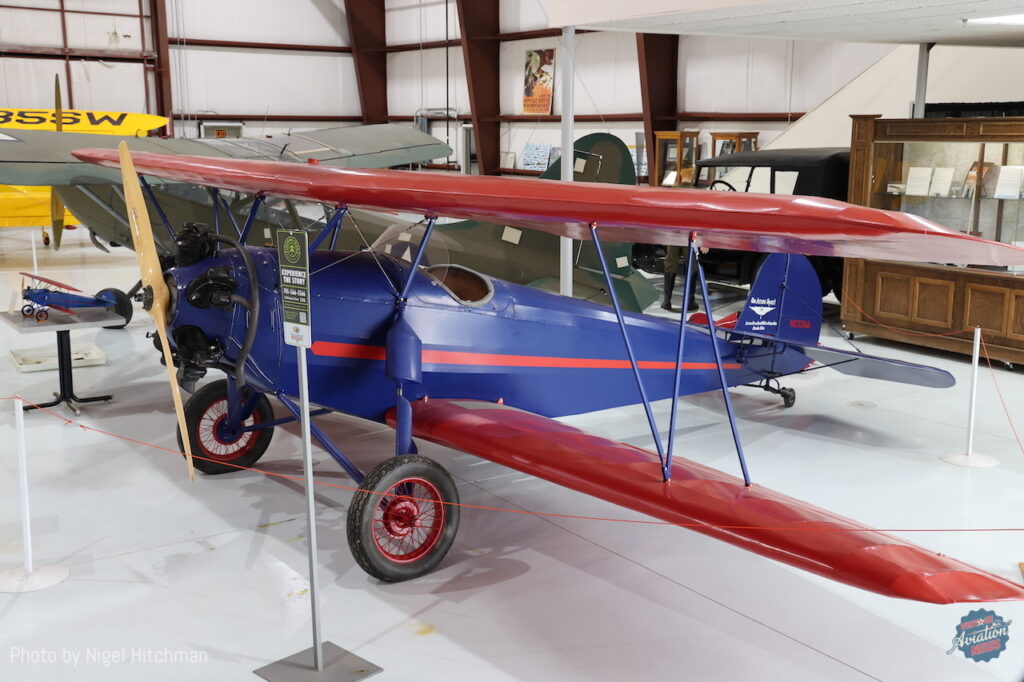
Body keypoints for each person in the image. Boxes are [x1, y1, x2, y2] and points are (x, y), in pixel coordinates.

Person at [661, 245, 698, 312]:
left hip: (674, 237)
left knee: (670, 265)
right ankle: (690, 301)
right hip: (689, 237)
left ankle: (667, 301)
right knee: (691, 265)